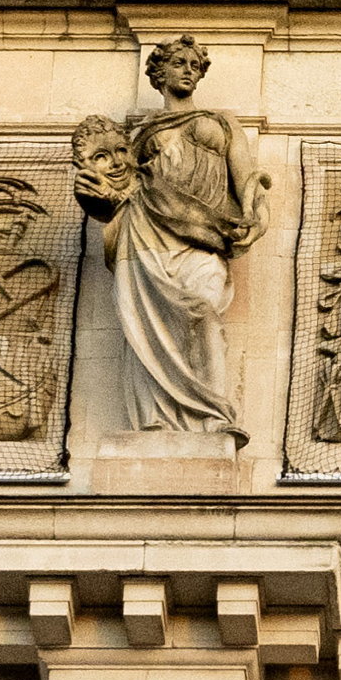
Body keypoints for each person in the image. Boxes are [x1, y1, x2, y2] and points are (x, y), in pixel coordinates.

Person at [76, 39, 263, 445]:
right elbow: (116, 189)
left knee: (203, 312)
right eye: (179, 63)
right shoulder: (140, 133)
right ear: (160, 73)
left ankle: (213, 415)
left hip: (204, 235)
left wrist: (254, 212)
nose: (188, 70)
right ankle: (154, 419)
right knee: (146, 322)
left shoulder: (221, 122)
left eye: (194, 65)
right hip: (147, 231)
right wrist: (93, 193)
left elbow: (246, 178)